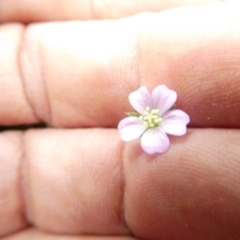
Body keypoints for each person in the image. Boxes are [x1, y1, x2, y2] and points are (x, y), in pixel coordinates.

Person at [1, 0, 240, 239]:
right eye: (150, 116)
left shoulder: (167, 114)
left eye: (153, 117)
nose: (152, 118)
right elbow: (131, 128)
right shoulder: (137, 118)